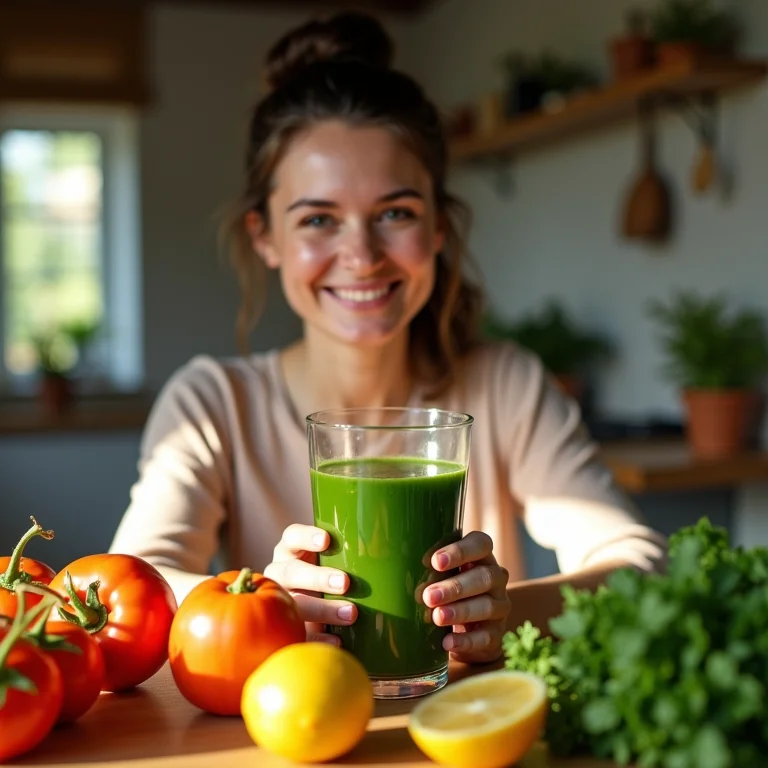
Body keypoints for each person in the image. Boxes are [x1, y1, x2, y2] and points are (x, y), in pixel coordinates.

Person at [109, 11, 666, 666]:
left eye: (395, 213)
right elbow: (133, 583)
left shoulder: (503, 384)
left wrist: (514, 611)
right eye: (318, 219)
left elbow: (640, 566)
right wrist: (262, 603)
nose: (363, 255)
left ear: (436, 229)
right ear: (265, 237)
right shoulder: (212, 404)